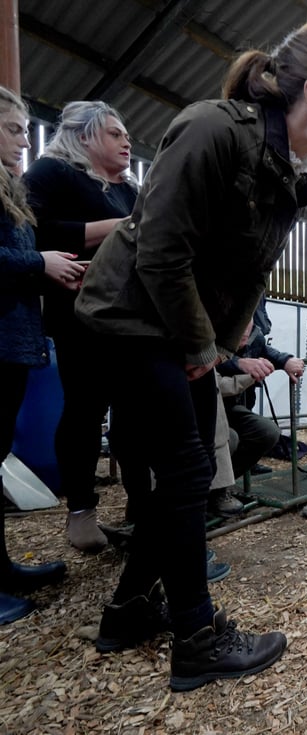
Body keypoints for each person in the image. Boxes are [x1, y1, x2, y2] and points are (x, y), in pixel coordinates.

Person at [73, 21, 307, 690]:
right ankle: (198, 639)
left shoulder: (297, 172)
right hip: (128, 316)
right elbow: (159, 253)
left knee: (193, 469)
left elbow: (249, 271)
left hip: (175, 327)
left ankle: (127, 612)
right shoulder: (212, 129)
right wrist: (201, 346)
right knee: (185, 472)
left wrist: (226, 340)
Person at [23, 100, 139, 553]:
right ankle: (81, 512)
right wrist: (116, 227)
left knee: (136, 411)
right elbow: (29, 229)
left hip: (131, 317)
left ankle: (139, 502)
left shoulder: (131, 190)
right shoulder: (52, 173)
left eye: (126, 134)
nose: (126, 140)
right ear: (85, 136)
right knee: (85, 410)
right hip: (80, 316)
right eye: (115, 133)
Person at [0, 86, 82, 624]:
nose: (22, 139)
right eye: (12, 128)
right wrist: (38, 264)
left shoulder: (11, 190)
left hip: (13, 341)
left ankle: (1, 569)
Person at [211, 319, 305, 514]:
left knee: (268, 432)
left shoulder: (255, 335)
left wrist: (286, 360)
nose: (245, 330)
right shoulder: (208, 336)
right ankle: (204, 491)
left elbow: (266, 351)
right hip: (205, 405)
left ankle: (221, 487)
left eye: (249, 322)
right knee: (229, 438)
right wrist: (241, 365)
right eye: (240, 322)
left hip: (231, 406)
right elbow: (208, 367)